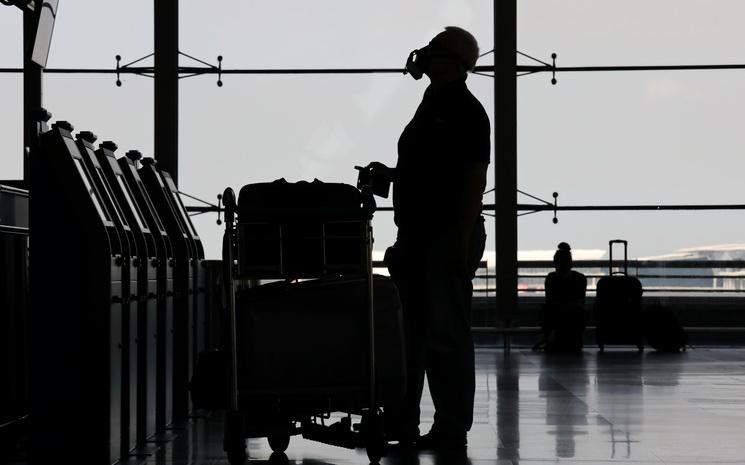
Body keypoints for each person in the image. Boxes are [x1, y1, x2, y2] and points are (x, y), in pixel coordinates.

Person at [366, 26, 490, 449]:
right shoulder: (433, 104)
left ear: (450, 59)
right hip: (420, 235)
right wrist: (392, 177)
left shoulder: (465, 111)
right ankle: (406, 421)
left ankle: (451, 425)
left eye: (435, 48)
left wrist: (457, 242)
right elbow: (433, 171)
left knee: (444, 333)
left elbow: (472, 180)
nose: (424, 53)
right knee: (414, 333)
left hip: (443, 237)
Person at [537, 242, 587, 352]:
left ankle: (552, 339)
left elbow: (549, 301)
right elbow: (580, 302)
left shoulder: (551, 278)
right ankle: (573, 340)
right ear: (571, 263)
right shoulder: (579, 279)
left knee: (547, 311)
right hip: (573, 314)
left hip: (556, 312)